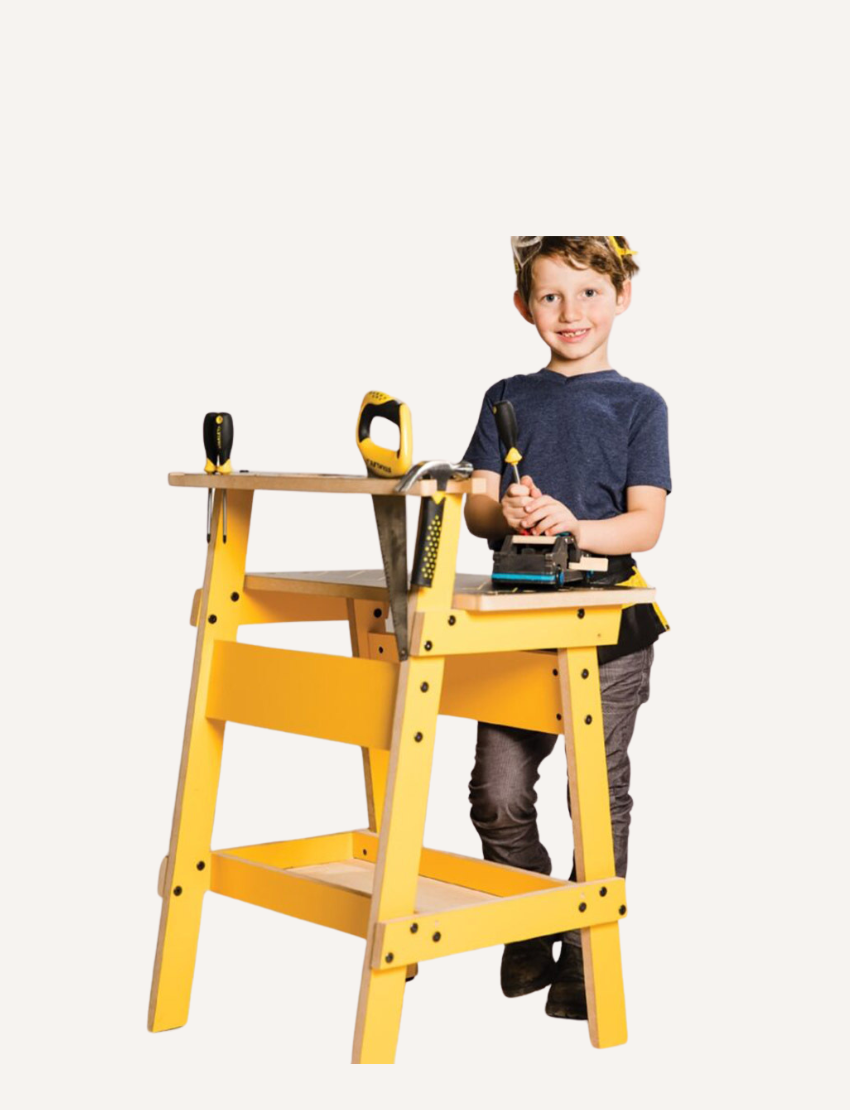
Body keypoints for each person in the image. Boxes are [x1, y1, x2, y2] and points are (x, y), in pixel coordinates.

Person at [462, 236, 671, 1020]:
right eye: (551, 296)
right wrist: (506, 509)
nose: (570, 312)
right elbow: (477, 507)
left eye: (588, 293)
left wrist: (575, 525)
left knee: (597, 792)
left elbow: (645, 524)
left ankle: (587, 949)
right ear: (525, 307)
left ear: (621, 296)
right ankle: (529, 918)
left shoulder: (639, 405)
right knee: (496, 795)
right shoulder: (505, 397)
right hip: (514, 624)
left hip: (609, 629)